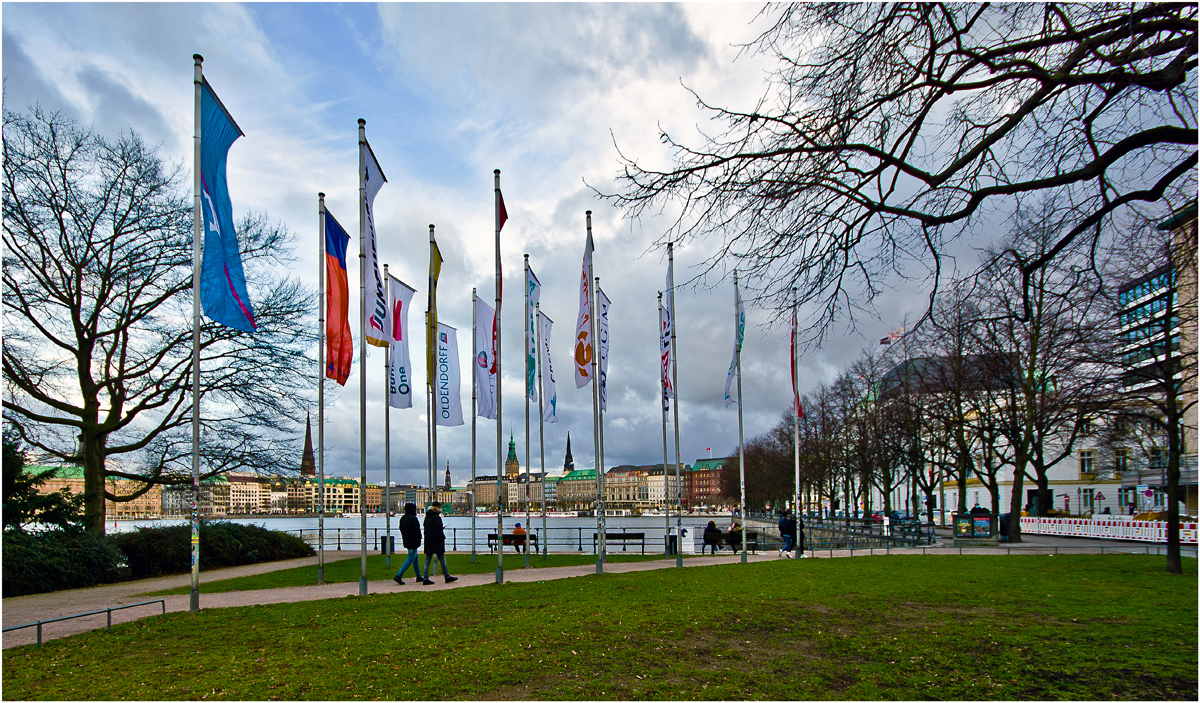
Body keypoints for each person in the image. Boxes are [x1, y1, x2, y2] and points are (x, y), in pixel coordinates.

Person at [422, 501, 458, 585]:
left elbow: (427, 528)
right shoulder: (437, 518)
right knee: (442, 559)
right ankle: (447, 576)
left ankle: (425, 578)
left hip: (428, 540)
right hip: (437, 541)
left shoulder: (427, 517)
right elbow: (438, 530)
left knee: (427, 560)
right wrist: (442, 535)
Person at [393, 502, 425, 585]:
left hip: (406, 540)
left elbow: (401, 528)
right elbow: (416, 530)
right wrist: (419, 539)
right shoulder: (413, 519)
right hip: (413, 540)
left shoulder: (403, 518)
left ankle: (418, 576)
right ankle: (399, 575)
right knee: (411, 558)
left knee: (415, 558)